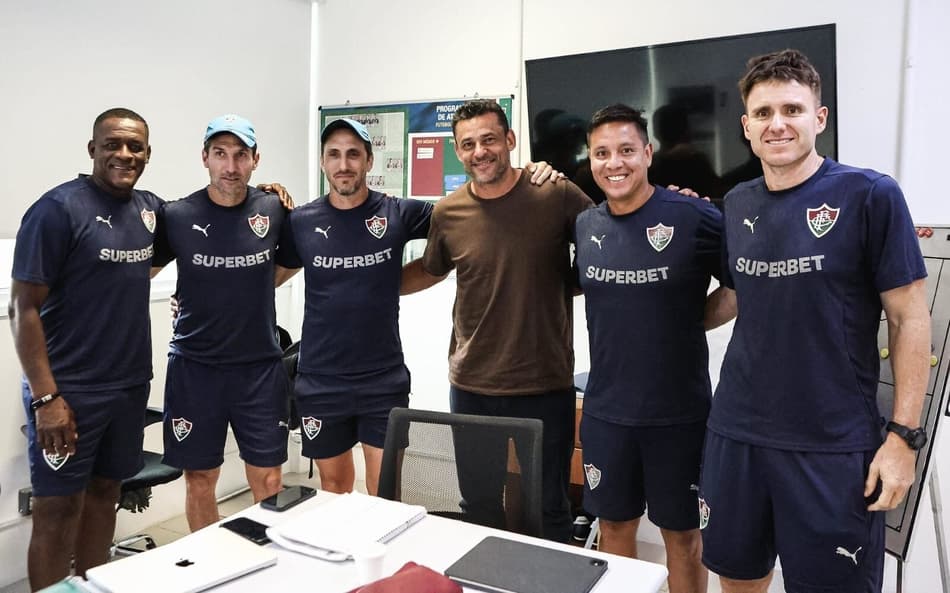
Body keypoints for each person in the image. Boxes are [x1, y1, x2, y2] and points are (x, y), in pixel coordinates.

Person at [699, 49, 931, 593]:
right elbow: (738, 293)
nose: (777, 124)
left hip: (831, 444)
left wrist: (903, 438)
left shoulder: (870, 195)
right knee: (737, 580)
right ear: (746, 127)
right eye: (763, 113)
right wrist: (662, 323)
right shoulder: (737, 202)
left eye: (792, 109)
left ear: (819, 118)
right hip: (737, 433)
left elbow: (909, 318)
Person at [403, 99, 594, 542]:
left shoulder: (555, 193)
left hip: (544, 385)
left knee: (548, 509)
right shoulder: (448, 212)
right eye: (468, 144)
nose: (480, 152)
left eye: (489, 139)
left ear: (509, 139)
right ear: (458, 151)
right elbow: (431, 270)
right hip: (472, 386)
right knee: (479, 506)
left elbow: (607, 238)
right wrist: (364, 285)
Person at [575, 103, 729, 593]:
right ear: (591, 159)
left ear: (647, 153)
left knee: (682, 537)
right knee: (614, 527)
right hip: (607, 412)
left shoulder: (694, 216)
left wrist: (690, 320)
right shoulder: (586, 224)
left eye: (626, 150)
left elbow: (740, 286)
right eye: (602, 153)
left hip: (678, 416)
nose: (614, 163)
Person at [9, 108, 164, 589]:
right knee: (57, 509)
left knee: (105, 495)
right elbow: (22, 308)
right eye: (113, 144)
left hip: (128, 386)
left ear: (148, 153)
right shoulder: (58, 209)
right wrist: (46, 398)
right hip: (68, 391)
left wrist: (267, 194)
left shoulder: (150, 210)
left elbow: (209, 217)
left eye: (135, 146)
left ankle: (93, 585)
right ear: (93, 149)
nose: (125, 154)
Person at [153, 114, 298, 531]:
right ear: (205, 158)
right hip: (195, 369)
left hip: (259, 369)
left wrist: (249, 286)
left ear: (255, 159)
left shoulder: (274, 208)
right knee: (200, 479)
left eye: (240, 155)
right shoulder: (177, 215)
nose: (230, 166)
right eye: (220, 154)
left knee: (269, 479)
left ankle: (268, 562)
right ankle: (209, 564)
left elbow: (290, 262)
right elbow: (137, 275)